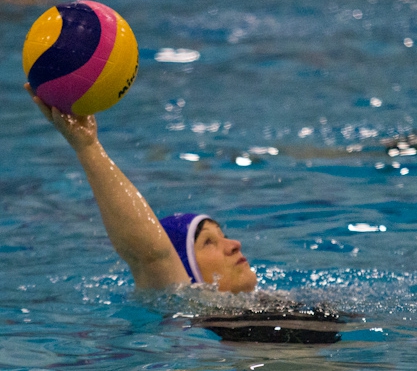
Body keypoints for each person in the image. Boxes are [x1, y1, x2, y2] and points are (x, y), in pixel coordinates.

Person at [25, 83, 258, 294]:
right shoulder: (193, 308)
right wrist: (88, 146)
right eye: (208, 242)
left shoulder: (264, 303)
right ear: (182, 269)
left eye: (223, 237)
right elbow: (151, 254)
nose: (234, 245)